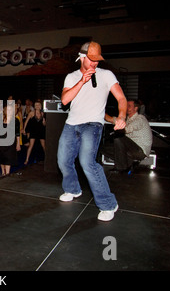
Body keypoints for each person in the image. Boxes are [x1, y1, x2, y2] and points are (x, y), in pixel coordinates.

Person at [57, 41, 127, 222]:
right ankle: (73, 189)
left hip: (93, 125)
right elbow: (65, 100)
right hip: (72, 124)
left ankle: (108, 204)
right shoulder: (71, 77)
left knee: (87, 162)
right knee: (63, 161)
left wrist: (121, 116)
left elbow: (121, 97)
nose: (95, 63)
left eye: (97, 60)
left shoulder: (106, 75)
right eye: (91, 59)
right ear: (81, 57)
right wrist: (82, 81)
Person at [105, 99, 152, 172]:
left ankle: (121, 168)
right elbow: (112, 119)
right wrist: (101, 112)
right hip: (130, 148)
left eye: (129, 106)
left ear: (136, 108)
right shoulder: (127, 119)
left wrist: (118, 128)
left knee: (118, 138)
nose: (126, 108)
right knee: (102, 147)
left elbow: (127, 129)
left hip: (140, 151)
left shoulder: (140, 118)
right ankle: (127, 161)